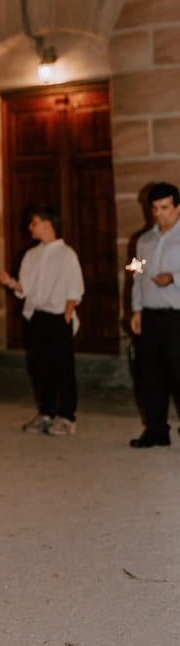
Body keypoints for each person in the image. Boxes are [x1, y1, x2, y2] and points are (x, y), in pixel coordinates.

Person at [0, 207, 84, 437]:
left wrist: (67, 313)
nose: (30, 227)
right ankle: (46, 412)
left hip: (58, 315)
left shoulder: (66, 254)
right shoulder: (31, 255)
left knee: (63, 367)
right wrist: (11, 283)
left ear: (47, 225)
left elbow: (74, 288)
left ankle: (66, 416)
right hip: (37, 316)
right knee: (42, 367)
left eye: (34, 223)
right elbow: (26, 289)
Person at [128, 181, 180, 449]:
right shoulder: (143, 241)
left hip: (177, 316)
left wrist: (174, 277)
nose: (158, 214)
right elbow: (136, 275)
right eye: (154, 209)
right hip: (150, 315)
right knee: (151, 375)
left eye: (164, 208)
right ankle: (156, 429)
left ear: (177, 207)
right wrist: (136, 309)